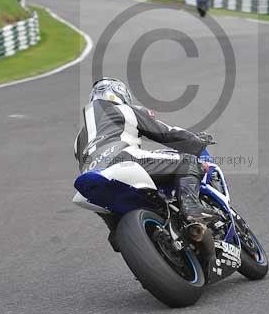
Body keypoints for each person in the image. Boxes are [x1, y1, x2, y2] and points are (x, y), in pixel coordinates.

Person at [75, 78, 215, 241]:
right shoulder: (124, 110)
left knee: (112, 218)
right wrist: (196, 141)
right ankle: (193, 211)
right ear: (120, 95)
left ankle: (118, 234)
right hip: (122, 160)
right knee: (188, 163)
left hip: (92, 178)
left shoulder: (79, 138)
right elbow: (167, 133)